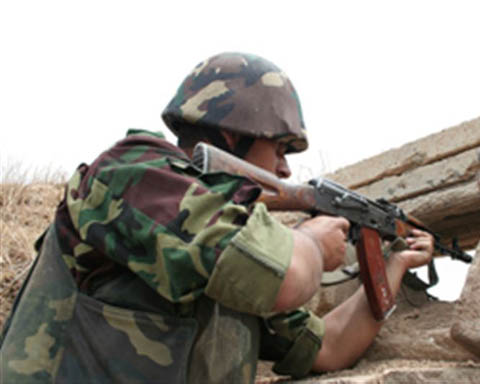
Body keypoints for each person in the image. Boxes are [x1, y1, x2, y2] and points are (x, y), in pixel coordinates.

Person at [0, 52, 434, 383]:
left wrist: (394, 264)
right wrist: (314, 244)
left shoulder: (228, 244)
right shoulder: (133, 171)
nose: (284, 170)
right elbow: (289, 277)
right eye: (280, 149)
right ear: (232, 134)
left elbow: (329, 347)